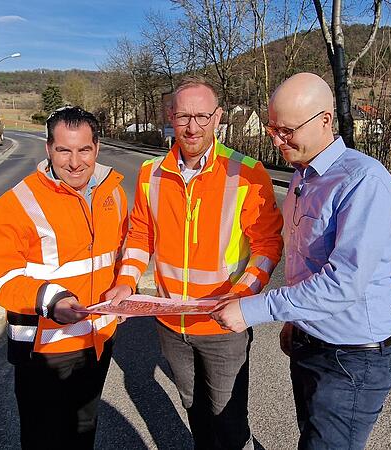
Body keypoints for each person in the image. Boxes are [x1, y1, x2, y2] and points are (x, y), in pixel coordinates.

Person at [212, 72, 391, 450]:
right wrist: (297, 324)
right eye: (272, 129)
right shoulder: (302, 176)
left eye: (287, 130)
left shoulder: (364, 181)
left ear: (325, 120)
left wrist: (253, 310)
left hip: (351, 360)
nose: (278, 139)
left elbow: (343, 282)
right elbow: (305, 263)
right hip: (310, 342)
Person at [109, 76, 283, 450]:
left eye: (202, 116)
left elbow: (267, 245)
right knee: (194, 409)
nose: (192, 127)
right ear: (170, 116)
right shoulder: (150, 173)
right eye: (184, 116)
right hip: (171, 322)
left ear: (218, 118)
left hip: (223, 324)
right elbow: (141, 236)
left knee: (230, 419)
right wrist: (126, 281)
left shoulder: (248, 173)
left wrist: (241, 296)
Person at [0, 106, 128, 449]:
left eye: (83, 149)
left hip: (98, 339)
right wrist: (52, 299)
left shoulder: (113, 193)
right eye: (63, 150)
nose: (75, 162)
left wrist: (127, 287)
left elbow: (121, 253)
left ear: (97, 148)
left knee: (83, 430)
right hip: (45, 349)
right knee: (44, 437)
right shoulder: (14, 203)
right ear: (48, 149)